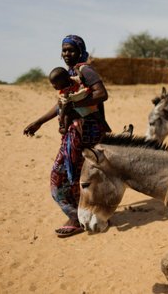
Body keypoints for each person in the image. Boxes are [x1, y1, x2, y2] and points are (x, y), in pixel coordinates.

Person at [23, 35, 110, 238]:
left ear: (80, 51)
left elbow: (101, 94)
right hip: (75, 133)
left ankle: (76, 218)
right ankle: (91, 214)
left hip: (86, 132)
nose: (66, 54)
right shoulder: (69, 74)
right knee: (80, 175)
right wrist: (39, 121)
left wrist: (74, 105)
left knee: (60, 176)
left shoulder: (84, 70)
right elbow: (62, 103)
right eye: (63, 50)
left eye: (70, 50)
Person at [48, 67, 92, 135]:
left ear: (63, 82)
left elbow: (65, 105)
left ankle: (65, 129)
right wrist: (76, 69)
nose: (53, 86)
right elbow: (81, 77)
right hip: (83, 106)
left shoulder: (66, 92)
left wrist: (61, 117)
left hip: (82, 109)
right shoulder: (73, 80)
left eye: (55, 84)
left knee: (67, 116)